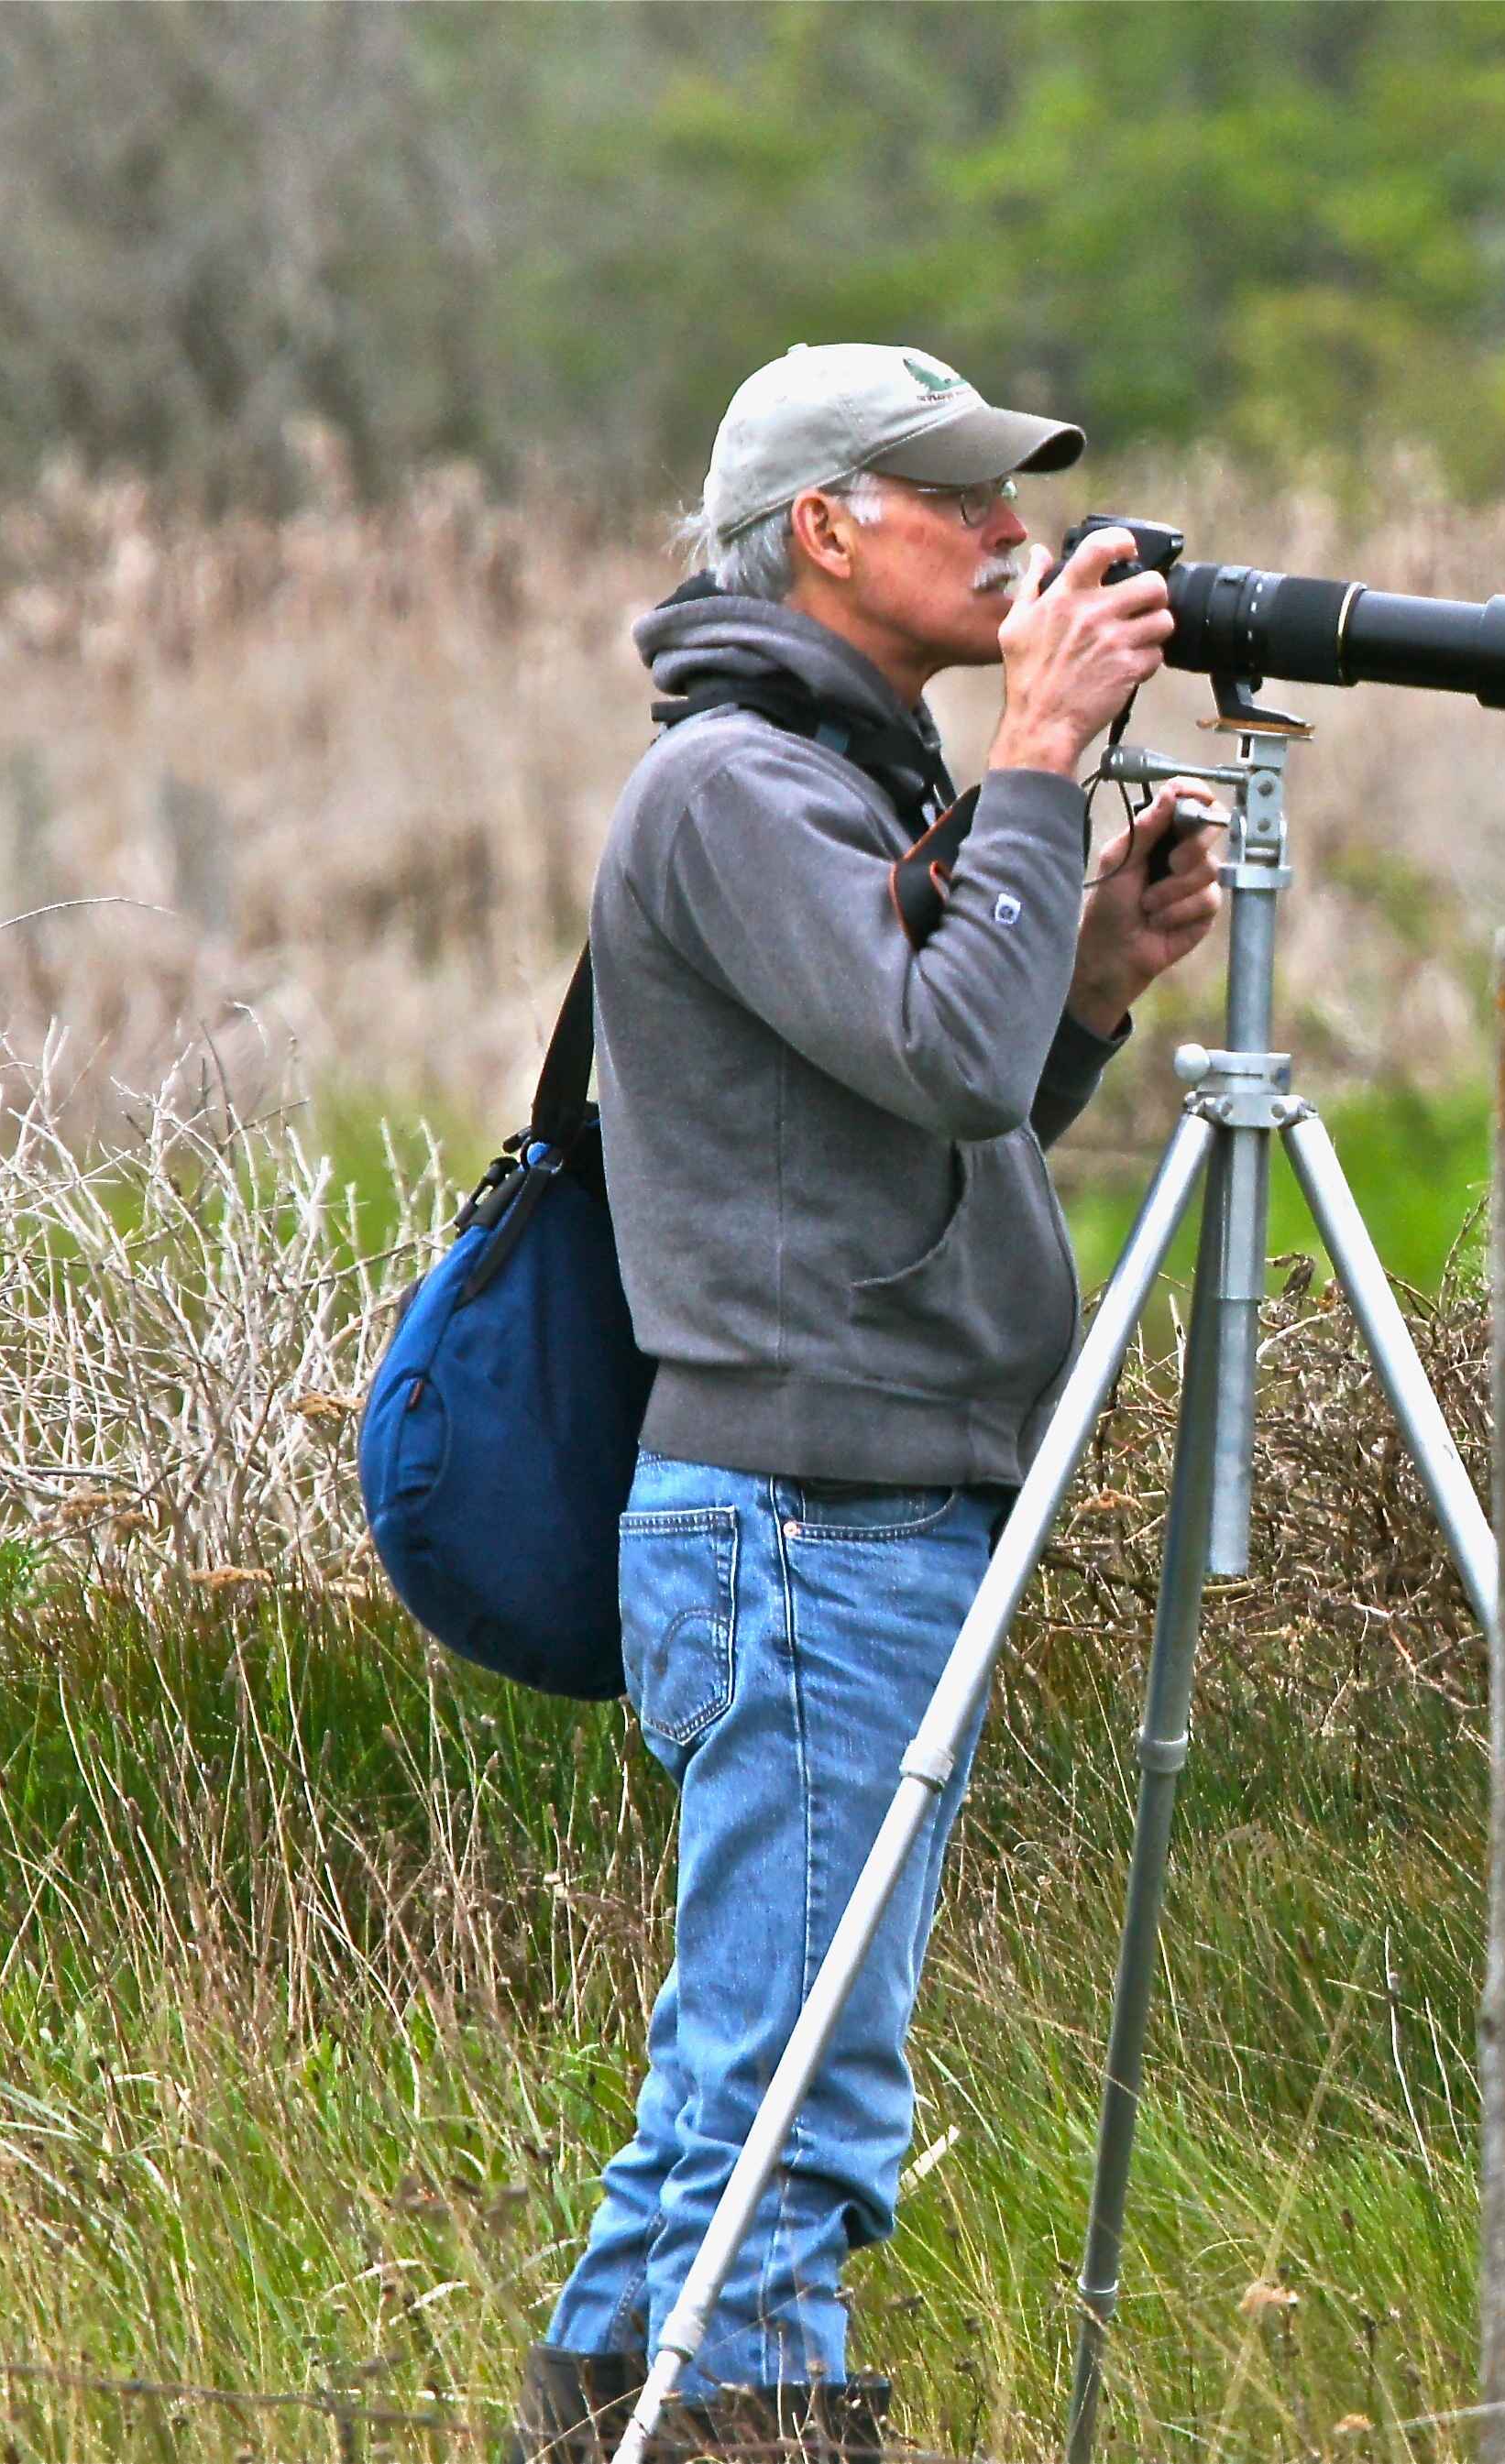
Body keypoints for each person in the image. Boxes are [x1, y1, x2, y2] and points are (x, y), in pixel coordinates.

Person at [511, 344, 1227, 2464]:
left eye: (1013, 497)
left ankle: (605, 2430)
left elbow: (938, 1112)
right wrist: (1036, 759)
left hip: (856, 1508)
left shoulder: (841, 773)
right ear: (824, 526)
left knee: (735, 2085)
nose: (1015, 532)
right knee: (803, 2095)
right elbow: (932, 1059)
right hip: (811, 1514)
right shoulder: (737, 784)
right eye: (961, 496)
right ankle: (745, 2434)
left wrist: (1083, 973)